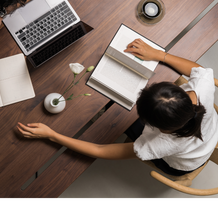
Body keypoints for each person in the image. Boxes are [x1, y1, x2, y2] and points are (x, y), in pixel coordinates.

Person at [17, 38, 218, 176]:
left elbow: (100, 150)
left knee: (119, 123)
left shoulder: (157, 145)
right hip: (207, 138)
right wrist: (158, 54)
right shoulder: (202, 90)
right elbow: (198, 70)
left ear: (155, 127)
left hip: (183, 164)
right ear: (181, 94)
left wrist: (52, 135)